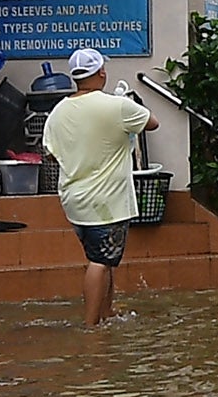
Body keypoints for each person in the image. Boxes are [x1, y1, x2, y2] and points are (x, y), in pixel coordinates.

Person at [45, 45, 152, 328]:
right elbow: (151, 123)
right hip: (107, 202)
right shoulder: (117, 106)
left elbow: (51, 151)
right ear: (102, 73)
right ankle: (92, 325)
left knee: (105, 257)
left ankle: (107, 313)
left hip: (74, 200)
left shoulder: (58, 111)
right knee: (100, 261)